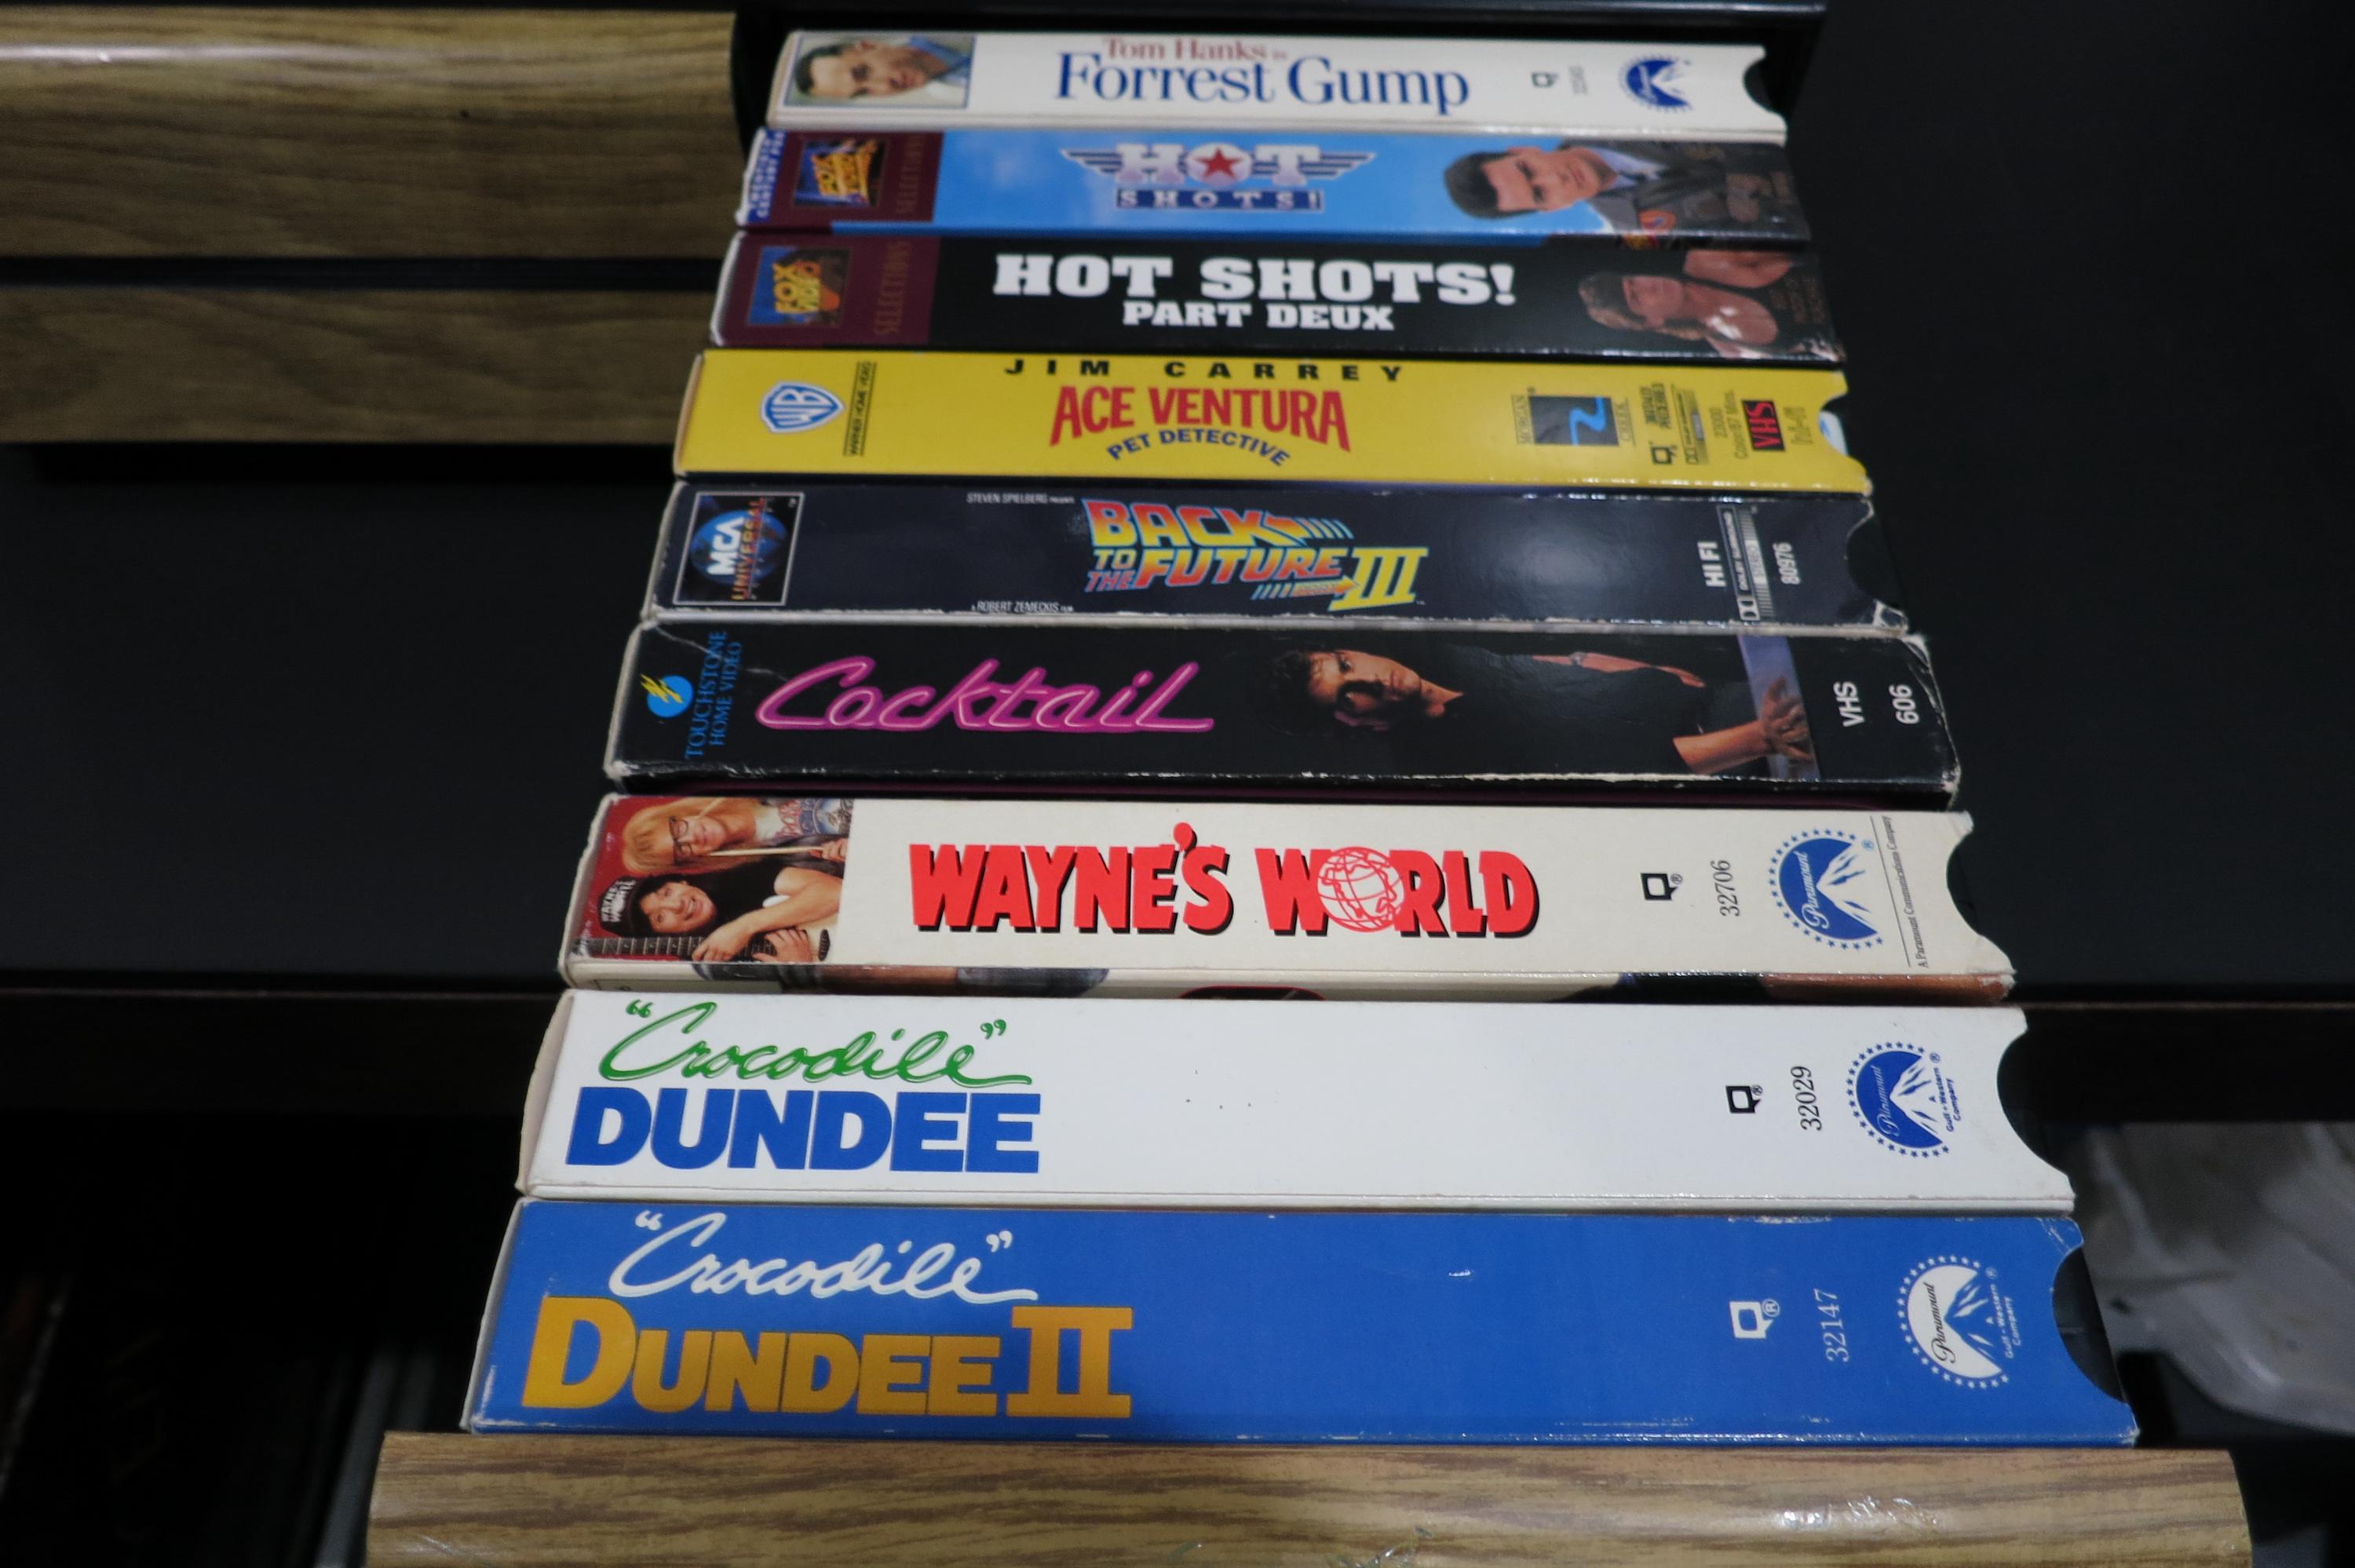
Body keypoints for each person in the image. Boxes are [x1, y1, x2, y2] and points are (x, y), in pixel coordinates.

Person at [1254, 644, 1813, 775]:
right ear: (1349, 724)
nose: (1371, 678)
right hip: (1739, 745)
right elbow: (1633, 767)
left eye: (1346, 663)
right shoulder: (1447, 759)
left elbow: (1556, 665)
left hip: (1719, 696)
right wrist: (1760, 740)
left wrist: (1651, 672)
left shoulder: (1442, 659)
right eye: (1348, 693)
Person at [1440, 140, 1798, 233]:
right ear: (1553, 208)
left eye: (1528, 169)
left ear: (1524, 149)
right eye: (1540, 193)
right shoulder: (1640, 231)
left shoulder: (1609, 106)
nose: (1554, 179)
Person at [600, 841, 847, 962]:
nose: (677, 905)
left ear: (681, 881)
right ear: (661, 936)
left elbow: (836, 892)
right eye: (660, 917)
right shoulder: (707, 966)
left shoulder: (733, 877)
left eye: (666, 893)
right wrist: (801, 971)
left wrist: (743, 927)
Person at [1576, 250, 1820, 359]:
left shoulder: (1707, 260)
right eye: (1636, 298)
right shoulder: (1732, 350)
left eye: (1633, 281)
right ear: (1653, 321)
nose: (1648, 285)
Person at [618, 796, 851, 875]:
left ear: (681, 813)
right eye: (681, 849)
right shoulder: (793, 861)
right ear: (692, 860)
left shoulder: (758, 779)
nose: (692, 838)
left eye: (678, 830)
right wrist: (853, 853)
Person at [792, 35, 971, 100]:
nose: (885, 87)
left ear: (870, 46)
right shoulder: (948, 95)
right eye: (863, 92)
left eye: (862, 73)